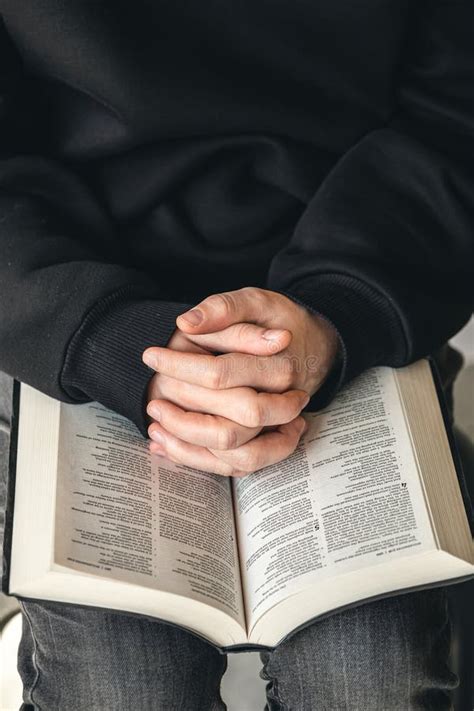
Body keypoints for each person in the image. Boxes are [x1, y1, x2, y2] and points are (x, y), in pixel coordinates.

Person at [0, 1, 472, 709]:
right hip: (75, 302)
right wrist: (110, 340)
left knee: (373, 680)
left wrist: (335, 310)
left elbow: (455, 113)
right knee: (121, 688)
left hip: (363, 276)